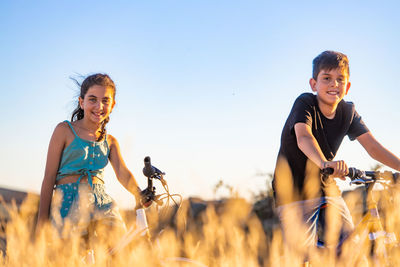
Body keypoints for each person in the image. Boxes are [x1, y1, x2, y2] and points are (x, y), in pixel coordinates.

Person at [272, 51, 400, 258]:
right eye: (327, 78)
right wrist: (325, 162)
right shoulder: (305, 103)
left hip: (326, 188)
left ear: (347, 86)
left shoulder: (348, 112)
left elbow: (373, 147)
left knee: (351, 249)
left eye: (340, 79)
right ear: (314, 84)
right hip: (294, 190)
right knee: (301, 257)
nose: (334, 84)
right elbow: (303, 137)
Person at [36, 73, 145, 242]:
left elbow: (122, 173)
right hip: (68, 201)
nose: (99, 106)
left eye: (105, 100)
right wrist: (41, 224)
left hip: (102, 203)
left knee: (120, 249)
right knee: (72, 256)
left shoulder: (111, 141)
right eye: (92, 99)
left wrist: (139, 194)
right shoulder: (64, 130)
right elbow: (49, 177)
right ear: (82, 102)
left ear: (113, 105)